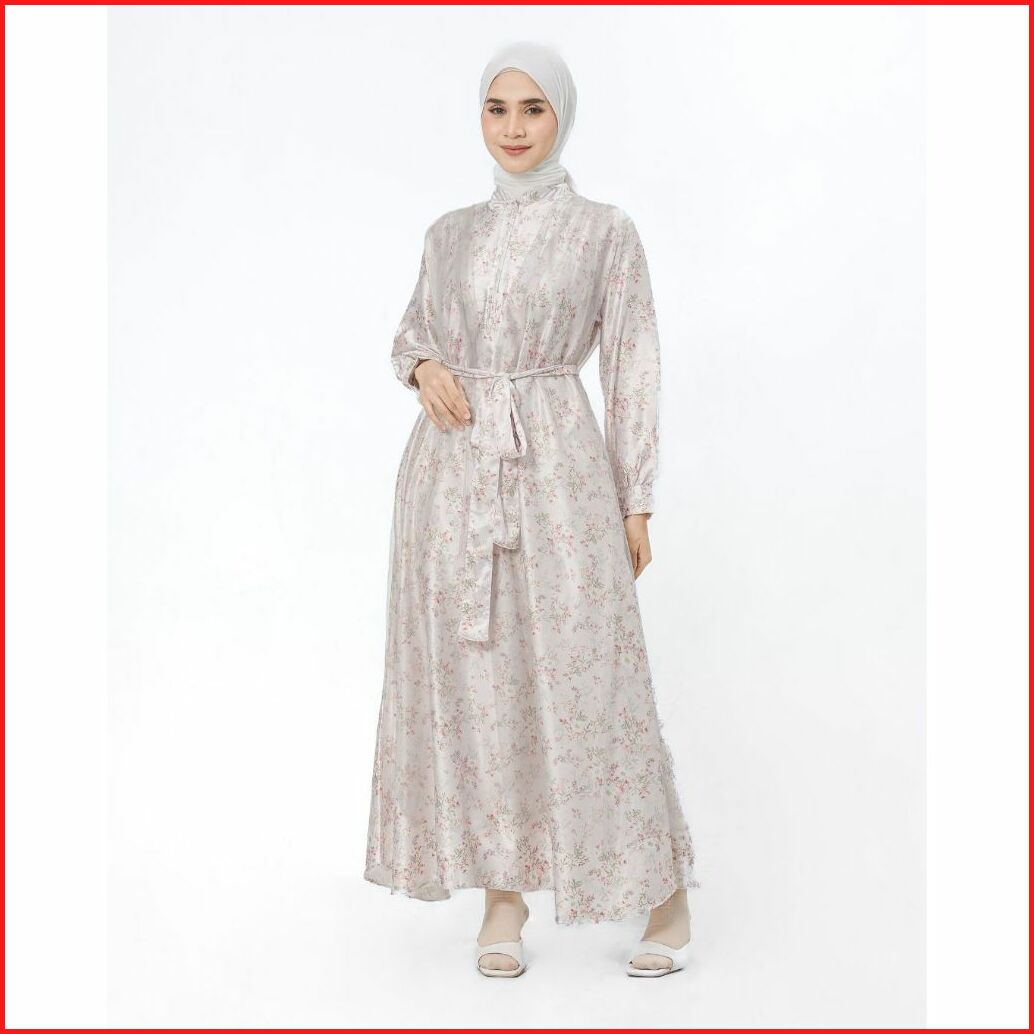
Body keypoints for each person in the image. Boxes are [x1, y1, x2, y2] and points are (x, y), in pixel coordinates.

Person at [364, 40, 700, 978]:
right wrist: (424, 366)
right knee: (480, 687)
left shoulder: (604, 232)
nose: (512, 128)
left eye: (533, 109)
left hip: (559, 473)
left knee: (594, 682)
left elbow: (633, 363)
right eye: (496, 108)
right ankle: (502, 899)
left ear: (562, 116)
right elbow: (412, 328)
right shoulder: (448, 234)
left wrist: (636, 499)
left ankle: (664, 896)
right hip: (449, 482)